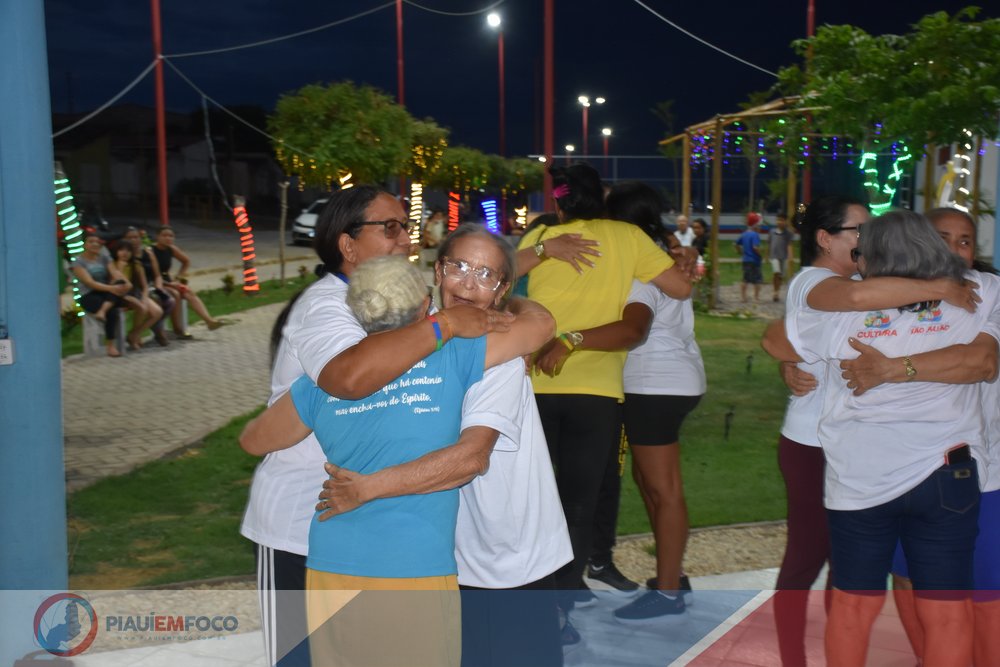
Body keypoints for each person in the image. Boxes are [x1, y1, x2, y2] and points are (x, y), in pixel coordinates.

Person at [239, 186, 523, 667]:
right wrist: (455, 324)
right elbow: (349, 377)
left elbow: (255, 438)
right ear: (347, 245)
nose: (405, 239)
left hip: (341, 539)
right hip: (299, 525)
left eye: (406, 228)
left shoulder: (411, 339)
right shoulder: (328, 307)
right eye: (390, 228)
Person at [316, 224, 572, 666]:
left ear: (501, 289)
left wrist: (366, 488)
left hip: (503, 556)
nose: (469, 284)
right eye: (459, 267)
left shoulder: (499, 354)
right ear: (438, 271)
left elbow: (470, 459)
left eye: (486, 275)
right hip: (438, 553)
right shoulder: (416, 333)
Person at [760, 196, 981, 667]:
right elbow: (981, 361)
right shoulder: (973, 297)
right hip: (937, 473)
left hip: (859, 476)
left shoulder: (843, 310)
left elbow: (776, 339)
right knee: (945, 611)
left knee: (853, 605)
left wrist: (802, 357)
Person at [516, 162, 692, 634]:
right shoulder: (627, 237)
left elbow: (493, 277)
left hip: (534, 386)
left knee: (531, 500)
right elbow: (681, 286)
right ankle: (560, 614)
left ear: (558, 202)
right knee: (578, 505)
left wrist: (542, 249)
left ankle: (529, 601)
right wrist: (680, 256)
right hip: (596, 393)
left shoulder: (541, 237)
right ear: (601, 197)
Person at [839, 207, 1000, 667]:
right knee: (909, 582)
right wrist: (793, 365)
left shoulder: (986, 293)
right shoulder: (869, 295)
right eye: (942, 237)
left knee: (986, 596)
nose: (954, 249)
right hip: (896, 476)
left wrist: (891, 370)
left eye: (965, 240)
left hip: (982, 473)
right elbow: (785, 337)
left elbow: (981, 363)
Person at [603, 181, 706, 620]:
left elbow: (634, 328)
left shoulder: (643, 267)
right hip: (666, 380)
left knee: (663, 490)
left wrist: (569, 340)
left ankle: (667, 592)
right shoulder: (661, 257)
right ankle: (671, 578)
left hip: (655, 384)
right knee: (651, 484)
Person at [150, 226, 225, 336]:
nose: (168, 238)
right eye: (164, 235)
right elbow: (151, 274)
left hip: (168, 281)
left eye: (171, 236)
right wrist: (170, 284)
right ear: (158, 237)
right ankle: (177, 328)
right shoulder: (151, 251)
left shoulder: (171, 249)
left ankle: (209, 321)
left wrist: (178, 277)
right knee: (175, 293)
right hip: (154, 282)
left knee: (187, 291)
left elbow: (186, 261)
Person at [70, 232, 131, 357]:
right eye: (91, 241)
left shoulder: (104, 258)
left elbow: (115, 274)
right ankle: (110, 346)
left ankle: (102, 311)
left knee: (119, 286)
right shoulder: (78, 262)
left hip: (107, 293)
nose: (95, 244)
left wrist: (124, 282)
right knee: (112, 310)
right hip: (89, 295)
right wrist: (112, 288)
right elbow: (90, 283)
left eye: (97, 242)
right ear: (84, 244)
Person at [121, 226, 173, 347]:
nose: (133, 240)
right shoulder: (123, 256)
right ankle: (156, 332)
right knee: (157, 301)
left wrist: (158, 287)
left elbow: (156, 275)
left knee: (166, 302)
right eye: (129, 238)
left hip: (145, 289)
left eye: (136, 237)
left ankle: (135, 333)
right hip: (128, 292)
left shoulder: (147, 254)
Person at [735, 214, 763, 302]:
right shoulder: (755, 235)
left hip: (746, 259)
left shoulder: (744, 234)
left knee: (745, 279)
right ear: (755, 224)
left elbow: (736, 244)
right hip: (754, 260)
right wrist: (760, 254)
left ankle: (743, 297)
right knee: (757, 279)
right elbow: (755, 247)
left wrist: (740, 252)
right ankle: (756, 297)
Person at [768, 213, 792, 302]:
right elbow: (769, 243)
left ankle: (777, 291)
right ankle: (775, 292)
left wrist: (790, 256)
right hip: (774, 256)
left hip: (783, 256)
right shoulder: (772, 232)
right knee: (776, 272)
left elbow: (789, 245)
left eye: (782, 220)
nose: (780, 222)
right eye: (778, 220)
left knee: (781, 276)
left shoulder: (788, 233)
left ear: (785, 221)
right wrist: (767, 256)